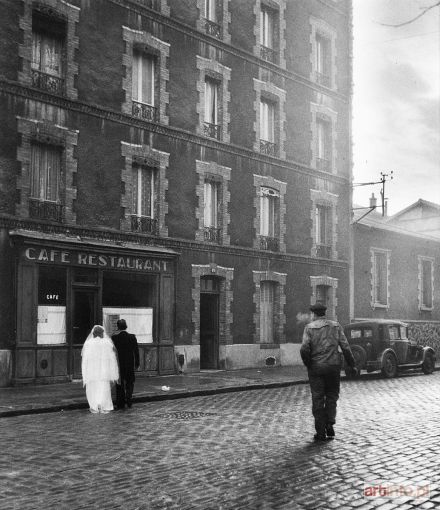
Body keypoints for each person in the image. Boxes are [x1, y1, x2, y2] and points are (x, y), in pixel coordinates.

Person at [300, 303, 357, 441]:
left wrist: (309, 364)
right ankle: (330, 423)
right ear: (324, 313)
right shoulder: (335, 326)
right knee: (332, 396)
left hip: (317, 368)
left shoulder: (309, 328)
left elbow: (304, 349)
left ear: (314, 314)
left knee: (318, 398)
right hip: (333, 367)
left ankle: (320, 432)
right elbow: (345, 347)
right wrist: (352, 364)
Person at [81, 325, 120, 414]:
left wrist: (85, 372)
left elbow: (85, 360)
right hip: (104, 370)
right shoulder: (107, 343)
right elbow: (112, 358)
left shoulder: (88, 343)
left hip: (92, 371)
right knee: (104, 388)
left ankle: (94, 405)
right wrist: (112, 371)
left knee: (93, 388)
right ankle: (104, 405)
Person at [112, 319, 140, 409]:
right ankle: (129, 400)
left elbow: (112, 352)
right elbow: (136, 351)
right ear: (126, 326)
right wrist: (137, 363)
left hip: (119, 364)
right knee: (130, 382)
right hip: (129, 363)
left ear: (118, 327)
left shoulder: (114, 338)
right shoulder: (132, 337)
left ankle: (120, 402)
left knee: (120, 383)